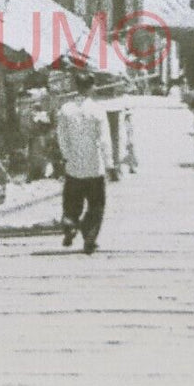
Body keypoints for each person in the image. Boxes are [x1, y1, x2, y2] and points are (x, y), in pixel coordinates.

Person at [56, 71, 113, 254]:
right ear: (91, 87)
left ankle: (70, 223)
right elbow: (104, 139)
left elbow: (62, 137)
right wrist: (109, 162)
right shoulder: (98, 110)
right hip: (94, 166)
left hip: (73, 166)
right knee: (96, 205)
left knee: (72, 201)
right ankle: (89, 238)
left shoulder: (66, 110)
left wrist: (66, 156)